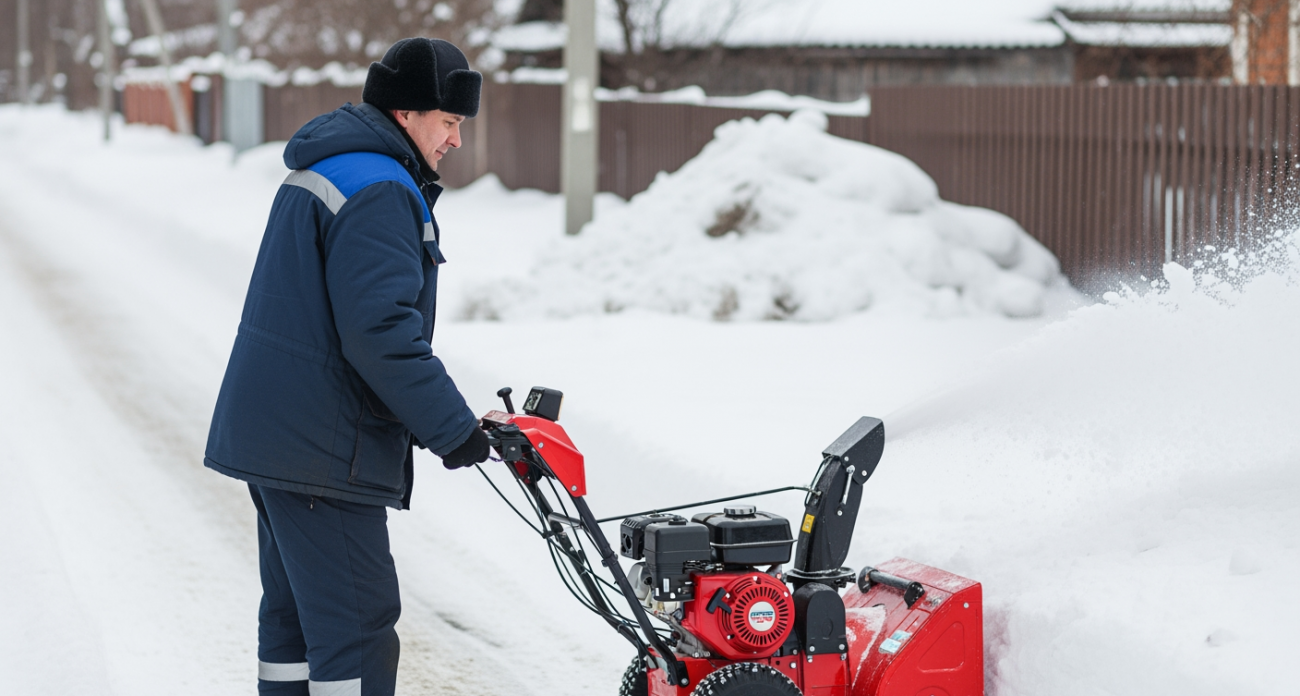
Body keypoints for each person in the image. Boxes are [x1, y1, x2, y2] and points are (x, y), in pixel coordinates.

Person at [204, 37, 492, 696]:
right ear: (408, 114)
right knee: (356, 628)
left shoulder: (332, 166)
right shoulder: (381, 188)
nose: (453, 140)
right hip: (322, 449)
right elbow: (380, 332)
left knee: (295, 624)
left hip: (281, 438)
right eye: (447, 122)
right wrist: (453, 429)